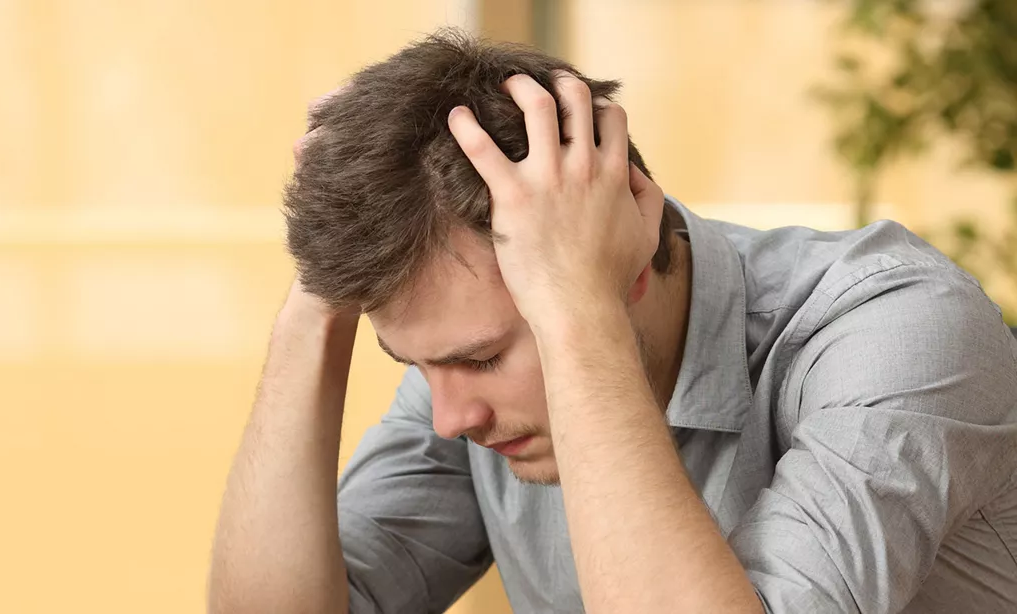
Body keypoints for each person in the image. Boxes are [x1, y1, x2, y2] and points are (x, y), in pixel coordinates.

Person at [208, 31, 1017, 614]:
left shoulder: (897, 333)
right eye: (414, 365)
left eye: (484, 360)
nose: (453, 417)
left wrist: (576, 313)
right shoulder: (466, 387)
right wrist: (313, 308)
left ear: (624, 255)